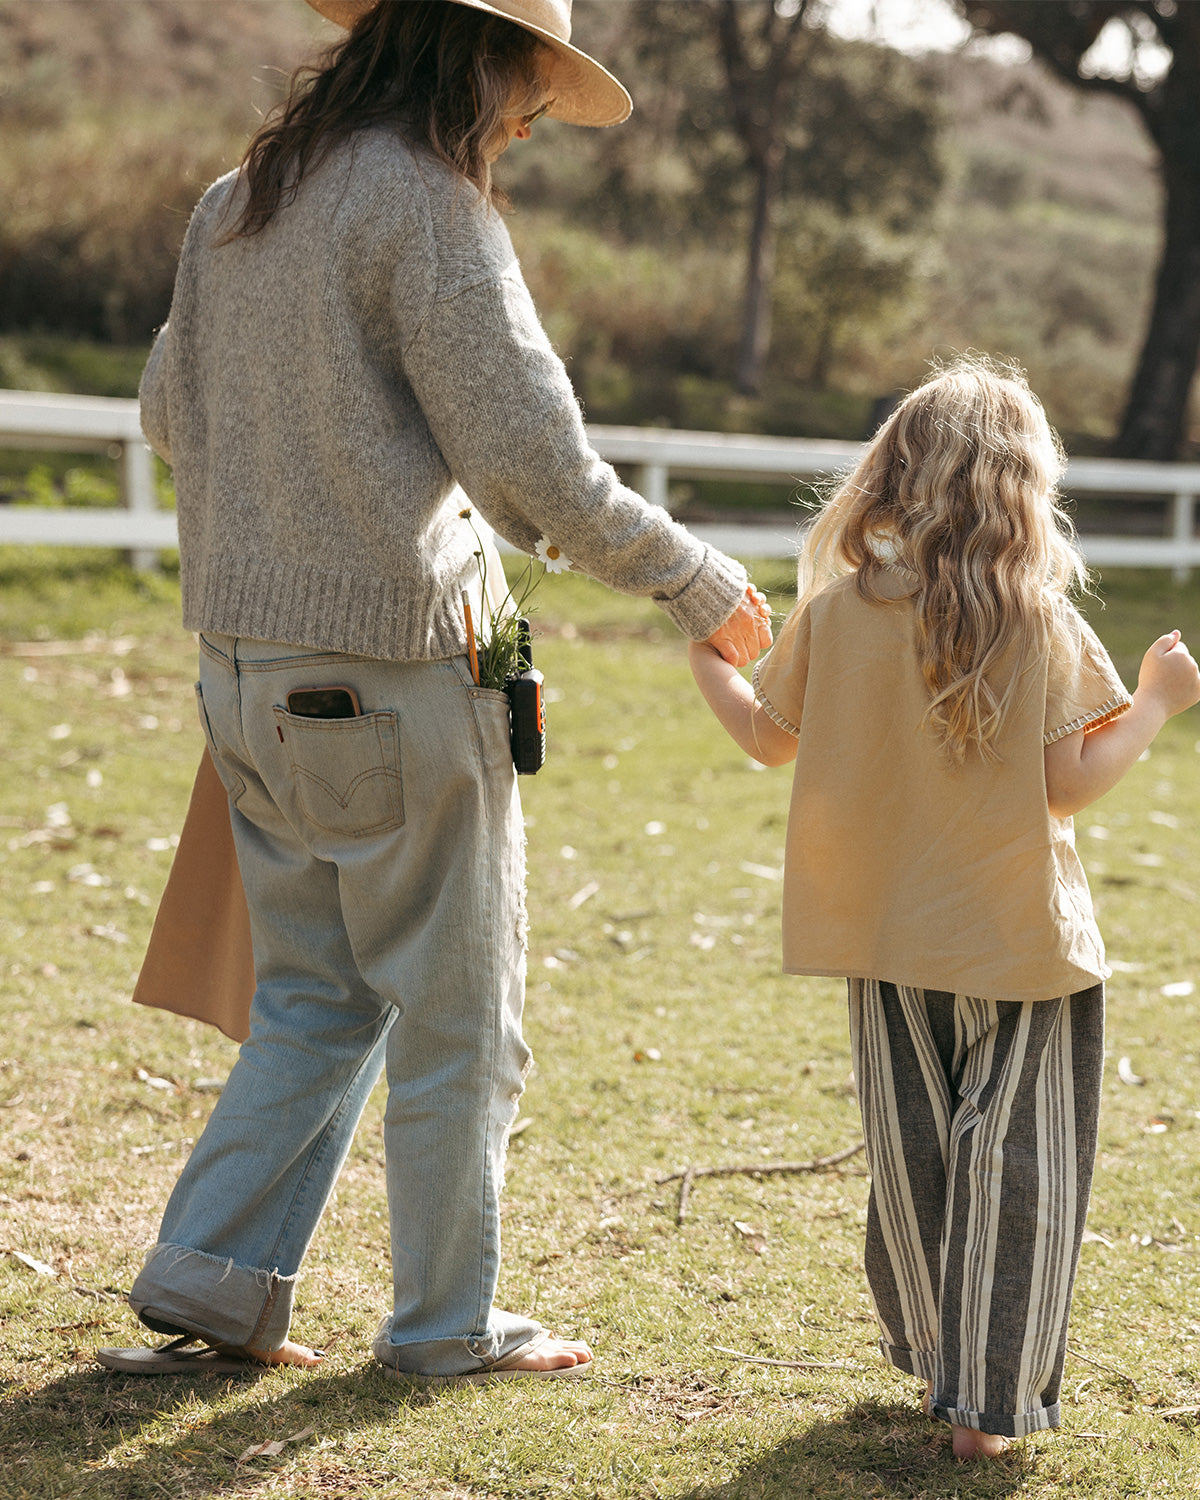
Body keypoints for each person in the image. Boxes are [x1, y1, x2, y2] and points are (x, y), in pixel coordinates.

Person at [96, 0, 771, 1384]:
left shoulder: (239, 199)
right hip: (394, 674)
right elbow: (534, 458)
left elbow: (169, 411)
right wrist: (696, 580)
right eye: (530, 85)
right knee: (461, 1016)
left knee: (316, 994)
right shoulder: (427, 207)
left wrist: (297, 471)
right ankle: (446, 1324)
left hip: (242, 673)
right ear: (476, 58)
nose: (530, 122)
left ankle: (210, 1273)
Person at [687, 357, 1200, 1457]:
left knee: (914, 1157)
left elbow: (765, 738)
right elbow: (1069, 783)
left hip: (883, 937)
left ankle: (940, 1363)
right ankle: (989, 1405)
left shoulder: (837, 612)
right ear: (1023, 489)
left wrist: (710, 658)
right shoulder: (1040, 621)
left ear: (890, 475)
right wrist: (1157, 704)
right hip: (1021, 942)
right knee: (1021, 1167)